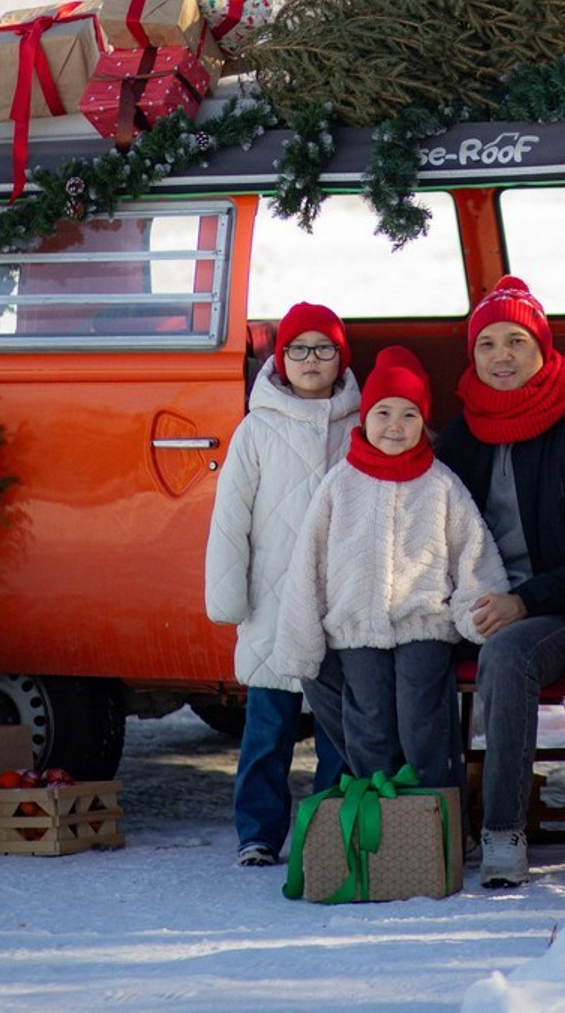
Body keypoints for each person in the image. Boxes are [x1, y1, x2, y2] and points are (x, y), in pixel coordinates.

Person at [434, 275, 565, 888]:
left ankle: (502, 832)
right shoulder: (461, 437)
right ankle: (428, 817)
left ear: (544, 351)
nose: (502, 356)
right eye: (488, 344)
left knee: (507, 653)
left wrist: (525, 601)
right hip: (480, 603)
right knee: (411, 651)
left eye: (517, 342)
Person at [274, 346, 503, 791]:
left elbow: (472, 551)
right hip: (355, 626)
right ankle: (382, 814)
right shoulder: (340, 483)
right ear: (364, 419)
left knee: (422, 720)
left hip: (424, 625)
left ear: (425, 423)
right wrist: (302, 634)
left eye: (409, 415)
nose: (395, 426)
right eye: (383, 413)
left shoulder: (440, 484)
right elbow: (309, 562)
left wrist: (477, 611)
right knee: (370, 720)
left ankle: (437, 818)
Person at [205, 301, 358, 868]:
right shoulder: (257, 428)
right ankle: (259, 833)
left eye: (324, 349)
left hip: (341, 601)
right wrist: (228, 597)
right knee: (267, 726)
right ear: (280, 357)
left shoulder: (366, 423)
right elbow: (231, 518)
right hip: (273, 601)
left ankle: (326, 831)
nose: (310, 360)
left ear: (341, 359)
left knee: (337, 729)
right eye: (298, 349)